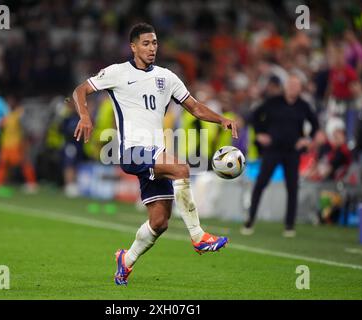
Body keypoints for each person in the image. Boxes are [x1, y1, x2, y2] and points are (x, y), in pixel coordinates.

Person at [72, 23, 238, 286]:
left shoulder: (167, 77)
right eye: (146, 43)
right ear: (134, 46)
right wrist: (84, 116)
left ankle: (125, 261)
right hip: (132, 151)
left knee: (159, 222)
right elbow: (81, 90)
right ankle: (198, 237)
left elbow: (194, 107)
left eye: (155, 43)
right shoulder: (117, 72)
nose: (152, 48)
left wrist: (221, 120)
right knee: (182, 169)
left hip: (155, 152)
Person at [241, 74, 319, 237]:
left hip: (292, 152)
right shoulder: (273, 102)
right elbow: (254, 116)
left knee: (292, 187)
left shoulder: (303, 106)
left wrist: (307, 140)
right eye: (290, 84)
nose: (292, 88)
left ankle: (289, 225)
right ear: (285, 86)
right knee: (261, 183)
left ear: (300, 88)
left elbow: (315, 125)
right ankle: (250, 220)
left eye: (296, 85)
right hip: (273, 150)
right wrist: (260, 134)